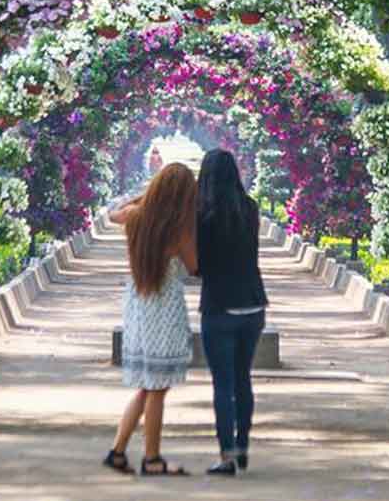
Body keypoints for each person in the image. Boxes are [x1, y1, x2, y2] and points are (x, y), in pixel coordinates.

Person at [104, 163, 198, 476]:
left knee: (147, 386)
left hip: (138, 303)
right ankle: (152, 458)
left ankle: (118, 451)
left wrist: (144, 197)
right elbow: (195, 266)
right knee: (157, 388)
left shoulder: (135, 218)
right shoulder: (179, 230)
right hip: (165, 306)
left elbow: (113, 212)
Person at [196, 149, 268, 476]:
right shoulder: (249, 208)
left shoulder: (203, 215)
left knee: (223, 384)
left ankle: (227, 454)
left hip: (219, 307)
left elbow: (198, 267)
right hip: (252, 304)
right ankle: (243, 446)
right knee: (243, 379)